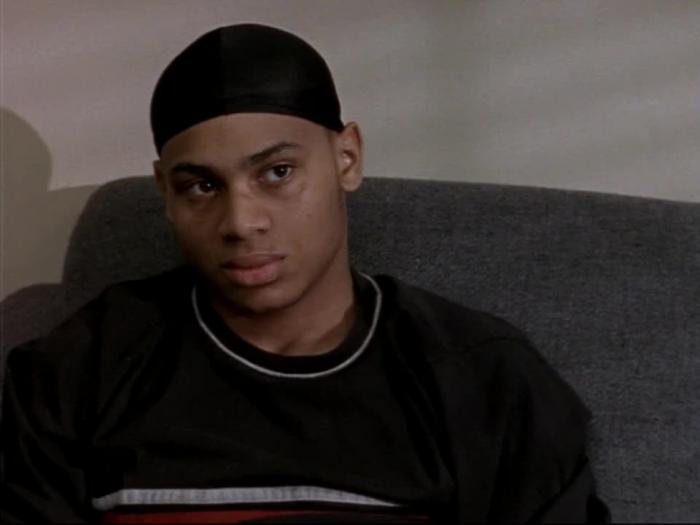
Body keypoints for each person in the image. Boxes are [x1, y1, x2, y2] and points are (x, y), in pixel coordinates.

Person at [0, 23, 610, 524]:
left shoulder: (482, 379)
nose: (241, 222)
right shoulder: (81, 367)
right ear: (165, 191)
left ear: (347, 158)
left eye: (278, 172)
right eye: (202, 186)